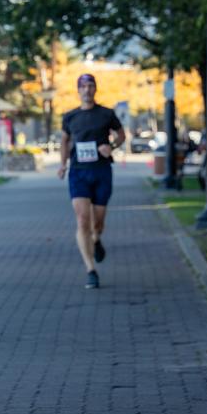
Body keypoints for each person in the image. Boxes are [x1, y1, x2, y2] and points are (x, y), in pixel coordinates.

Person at [57, 73, 125, 289]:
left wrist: (111, 146)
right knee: (82, 220)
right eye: (83, 86)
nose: (87, 90)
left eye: (90, 86)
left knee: (98, 222)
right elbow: (64, 141)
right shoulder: (70, 117)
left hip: (101, 171)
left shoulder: (106, 114)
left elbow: (121, 135)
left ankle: (96, 239)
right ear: (78, 90)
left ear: (95, 89)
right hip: (78, 172)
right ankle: (90, 270)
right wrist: (62, 164)